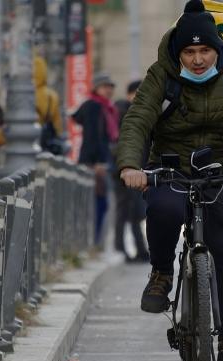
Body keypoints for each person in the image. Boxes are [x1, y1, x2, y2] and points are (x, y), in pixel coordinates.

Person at [116, 0, 223, 361]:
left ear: (217, 49)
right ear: (178, 53)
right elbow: (138, 120)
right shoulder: (162, 75)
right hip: (170, 167)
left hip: (221, 171)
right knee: (164, 211)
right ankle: (160, 273)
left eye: (205, 50)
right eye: (189, 52)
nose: (198, 59)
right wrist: (129, 166)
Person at [72, 73, 119, 247]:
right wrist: (97, 162)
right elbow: (93, 136)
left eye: (111, 86)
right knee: (98, 203)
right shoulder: (94, 106)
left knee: (98, 202)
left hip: (97, 161)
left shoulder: (105, 107)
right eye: (105, 86)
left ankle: (93, 240)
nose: (109, 90)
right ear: (96, 88)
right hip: (94, 163)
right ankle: (92, 241)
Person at [114, 80, 150, 263]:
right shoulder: (123, 110)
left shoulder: (142, 112)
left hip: (137, 169)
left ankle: (140, 249)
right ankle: (120, 247)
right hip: (124, 170)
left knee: (135, 212)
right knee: (126, 211)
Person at [34, 55, 64, 154]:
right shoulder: (51, 96)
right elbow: (57, 125)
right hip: (45, 142)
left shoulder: (21, 92)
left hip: (25, 143)